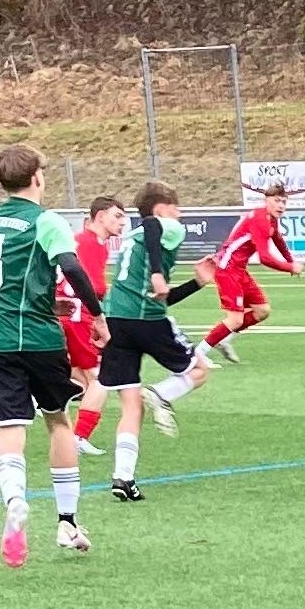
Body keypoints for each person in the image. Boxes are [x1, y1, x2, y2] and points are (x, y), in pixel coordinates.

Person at [0, 144, 110, 567]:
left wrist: (44, 301)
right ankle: (67, 522)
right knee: (57, 420)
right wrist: (97, 316)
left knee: (9, 429)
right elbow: (72, 266)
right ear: (37, 178)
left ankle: (15, 501)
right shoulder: (46, 220)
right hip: (40, 340)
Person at [99, 181, 215, 502]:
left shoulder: (131, 238)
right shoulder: (163, 227)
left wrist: (197, 283)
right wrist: (156, 272)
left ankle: (123, 477)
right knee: (199, 370)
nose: (180, 215)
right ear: (162, 208)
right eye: (176, 208)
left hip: (116, 320)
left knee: (130, 404)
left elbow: (162, 297)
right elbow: (153, 226)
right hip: (145, 320)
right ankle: (160, 394)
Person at [195, 183, 303, 367]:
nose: (281, 206)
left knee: (262, 311)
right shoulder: (260, 219)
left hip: (238, 269)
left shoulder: (270, 218)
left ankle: (224, 339)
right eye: (277, 201)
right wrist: (290, 267)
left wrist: (290, 260)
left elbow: (277, 238)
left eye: (284, 202)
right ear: (266, 200)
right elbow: (265, 258)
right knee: (235, 319)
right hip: (227, 268)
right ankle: (198, 354)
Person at [59, 196, 128, 456]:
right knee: (100, 378)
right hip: (78, 315)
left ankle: (44, 390)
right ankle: (79, 436)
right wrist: (102, 316)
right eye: (117, 216)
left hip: (65, 313)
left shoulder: (81, 241)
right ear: (100, 216)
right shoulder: (91, 244)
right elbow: (92, 286)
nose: (122, 222)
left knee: (82, 377)